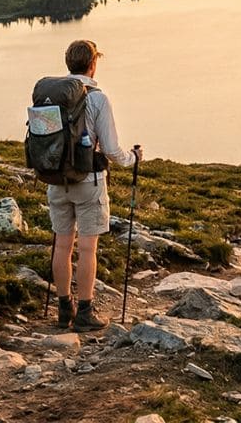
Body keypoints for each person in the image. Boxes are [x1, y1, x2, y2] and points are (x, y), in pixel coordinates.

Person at [48, 39, 142, 332]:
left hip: (55, 180)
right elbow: (112, 149)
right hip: (88, 180)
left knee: (62, 246)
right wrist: (133, 159)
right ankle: (85, 310)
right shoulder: (97, 98)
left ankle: (65, 309)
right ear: (93, 64)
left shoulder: (50, 94)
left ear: (68, 63)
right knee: (87, 249)